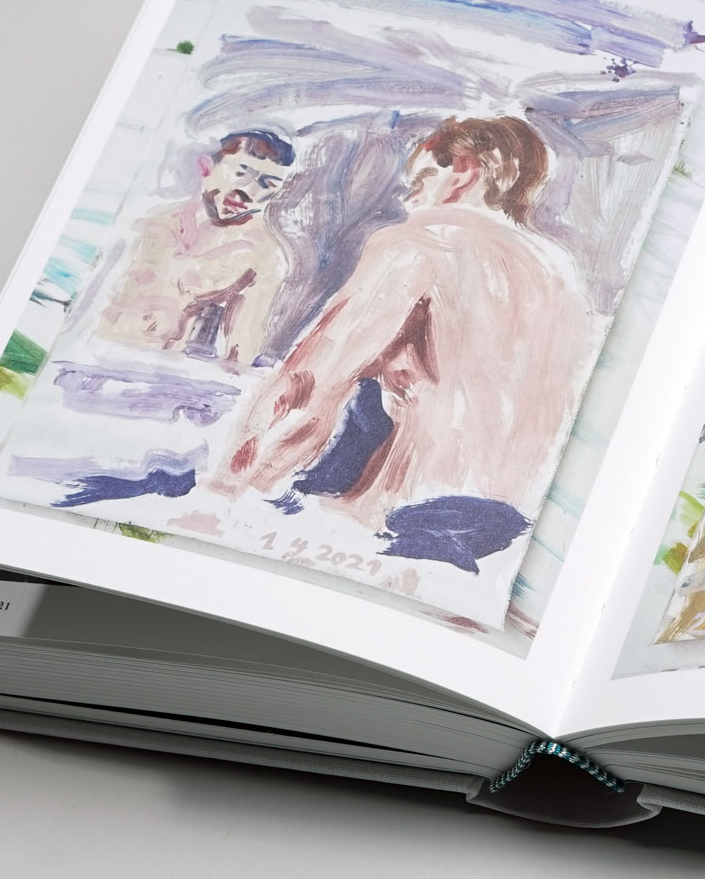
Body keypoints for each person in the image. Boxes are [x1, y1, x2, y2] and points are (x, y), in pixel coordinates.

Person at [205, 117, 600, 567]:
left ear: (465, 171)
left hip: (409, 517)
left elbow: (312, 383)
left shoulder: (421, 244)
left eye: (423, 179)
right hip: (509, 528)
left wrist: (229, 487)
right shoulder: (560, 275)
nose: (410, 197)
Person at [89, 130, 296, 370]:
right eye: (240, 174)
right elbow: (101, 305)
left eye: (268, 185)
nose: (248, 193)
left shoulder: (264, 256)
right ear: (206, 168)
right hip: (102, 352)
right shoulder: (152, 225)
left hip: (171, 371)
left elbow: (241, 350)